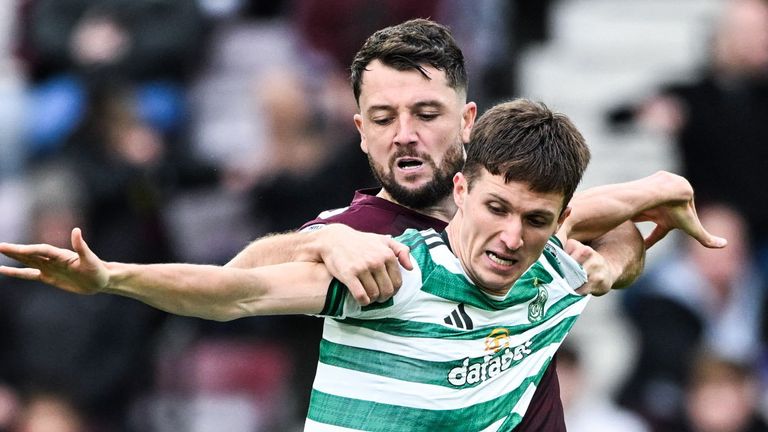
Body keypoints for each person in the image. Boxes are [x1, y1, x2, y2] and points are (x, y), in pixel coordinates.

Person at [0, 98, 726, 431]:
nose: (510, 237)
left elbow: (613, 260)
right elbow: (235, 292)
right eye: (497, 210)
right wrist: (111, 277)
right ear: (463, 190)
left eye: (536, 220)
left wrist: (661, 197)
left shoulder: (555, 271)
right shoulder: (393, 273)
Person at [222, 18, 725, 430]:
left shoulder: (514, 195)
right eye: (382, 118)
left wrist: (609, 267)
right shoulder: (353, 232)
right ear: (360, 132)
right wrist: (325, 240)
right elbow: (234, 286)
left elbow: (617, 237)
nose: (404, 135)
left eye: (425, 113)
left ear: (467, 120)